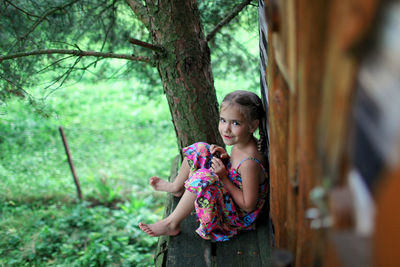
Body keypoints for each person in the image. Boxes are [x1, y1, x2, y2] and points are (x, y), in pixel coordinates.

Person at [139, 90, 268, 242]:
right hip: (230, 196)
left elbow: (248, 206)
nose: (226, 129)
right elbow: (237, 173)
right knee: (200, 149)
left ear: (253, 126)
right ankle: (177, 187)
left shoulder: (249, 163)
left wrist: (224, 178)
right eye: (223, 120)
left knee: (203, 177)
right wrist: (226, 159)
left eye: (235, 123)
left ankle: (171, 223)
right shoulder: (240, 144)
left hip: (238, 217)